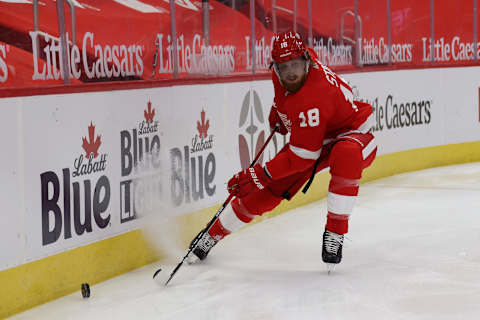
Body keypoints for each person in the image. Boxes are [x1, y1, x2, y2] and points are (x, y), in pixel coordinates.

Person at [188, 31, 377, 268]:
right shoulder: (288, 72)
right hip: (314, 135)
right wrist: (281, 112)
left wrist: (257, 174)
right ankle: (211, 235)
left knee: (345, 154)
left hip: (353, 134)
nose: (290, 72)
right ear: (275, 66)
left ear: (306, 61)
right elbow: (286, 96)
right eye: (283, 66)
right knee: (268, 191)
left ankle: (335, 232)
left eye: (295, 65)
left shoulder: (313, 96)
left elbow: (301, 158)